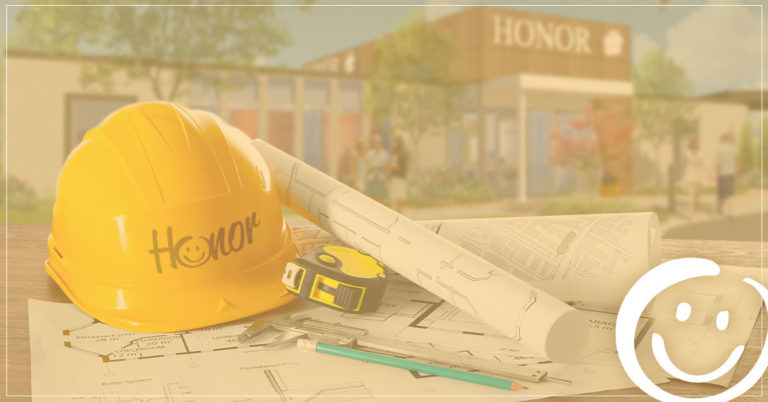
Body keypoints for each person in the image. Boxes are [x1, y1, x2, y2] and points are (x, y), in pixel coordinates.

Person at [716, 132, 738, 216]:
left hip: (721, 173)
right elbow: (736, 160)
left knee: (721, 192)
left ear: (722, 140)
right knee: (730, 193)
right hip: (731, 173)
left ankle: (720, 209)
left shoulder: (719, 149)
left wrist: (712, 171)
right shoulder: (733, 148)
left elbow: (716, 161)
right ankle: (730, 212)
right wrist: (736, 171)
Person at [681, 136, 704, 216]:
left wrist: (682, 172)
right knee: (697, 194)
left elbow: (683, 164)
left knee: (690, 194)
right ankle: (696, 210)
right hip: (697, 175)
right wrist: (709, 174)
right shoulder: (700, 153)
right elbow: (702, 165)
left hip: (689, 174)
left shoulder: (686, 153)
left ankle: (691, 211)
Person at [365, 135, 389, 203]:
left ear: (380, 143)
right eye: (375, 142)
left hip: (380, 176)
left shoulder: (384, 153)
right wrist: (367, 176)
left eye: (378, 142)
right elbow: (367, 165)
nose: (376, 144)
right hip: (372, 175)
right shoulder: (370, 153)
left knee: (380, 197)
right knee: (371, 196)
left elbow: (386, 167)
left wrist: (385, 177)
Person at [388, 135, 410, 213]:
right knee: (395, 198)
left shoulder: (402, 153)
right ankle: (397, 213)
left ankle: (399, 214)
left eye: (394, 142)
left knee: (399, 198)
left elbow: (402, 167)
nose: (392, 144)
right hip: (395, 178)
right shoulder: (395, 153)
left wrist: (392, 167)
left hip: (400, 178)